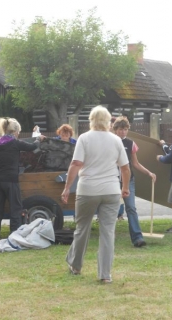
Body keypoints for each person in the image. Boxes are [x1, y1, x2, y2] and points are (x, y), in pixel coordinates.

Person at [61, 105, 130, 284]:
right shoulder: (116, 140)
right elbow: (125, 167)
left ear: (91, 120)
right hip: (112, 190)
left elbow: (76, 164)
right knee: (108, 231)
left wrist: (67, 187)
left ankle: (75, 265)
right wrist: (125, 187)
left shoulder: (84, 138)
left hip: (88, 190)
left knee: (82, 228)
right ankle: (105, 274)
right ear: (109, 121)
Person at [0, 117, 45, 240]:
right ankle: (14, 236)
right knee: (15, 209)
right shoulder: (15, 143)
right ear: (15, 131)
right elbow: (32, 147)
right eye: (19, 132)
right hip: (11, 181)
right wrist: (39, 139)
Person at [113, 116, 156, 246]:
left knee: (131, 208)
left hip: (128, 180)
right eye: (120, 129)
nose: (123, 132)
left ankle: (137, 238)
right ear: (115, 130)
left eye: (125, 129)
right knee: (111, 209)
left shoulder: (130, 144)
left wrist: (149, 172)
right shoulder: (111, 142)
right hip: (113, 180)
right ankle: (109, 238)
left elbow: (135, 163)